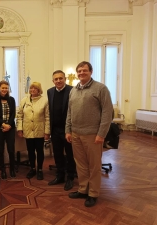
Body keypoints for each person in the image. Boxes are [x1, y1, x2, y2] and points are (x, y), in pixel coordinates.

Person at [65, 61, 113, 207]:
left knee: (94, 165)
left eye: (84, 70)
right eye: (79, 71)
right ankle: (83, 189)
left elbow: (107, 112)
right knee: (81, 164)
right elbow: (69, 112)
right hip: (76, 134)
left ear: (91, 71)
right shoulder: (73, 90)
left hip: (93, 135)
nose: (81, 73)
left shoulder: (101, 88)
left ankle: (93, 193)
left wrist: (101, 133)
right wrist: (68, 130)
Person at [47, 70, 76, 191]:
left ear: (64, 79)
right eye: (56, 79)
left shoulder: (72, 90)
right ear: (53, 81)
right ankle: (60, 176)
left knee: (70, 155)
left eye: (60, 78)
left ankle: (70, 177)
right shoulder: (50, 92)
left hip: (68, 130)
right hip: (55, 130)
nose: (58, 81)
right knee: (57, 154)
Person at [17, 82, 50, 180]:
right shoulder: (24, 101)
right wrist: (20, 129)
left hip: (39, 130)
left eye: (35, 88)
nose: (32, 90)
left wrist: (47, 132)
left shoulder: (44, 101)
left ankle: (40, 169)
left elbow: (47, 117)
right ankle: (32, 168)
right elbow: (19, 116)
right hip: (28, 131)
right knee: (30, 151)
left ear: (39, 90)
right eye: (31, 88)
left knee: (40, 151)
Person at [0, 80, 16, 179]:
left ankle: (12, 169)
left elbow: (13, 114)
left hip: (10, 128)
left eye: (6, 88)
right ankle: (2, 170)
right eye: (3, 88)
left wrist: (8, 125)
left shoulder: (12, 99)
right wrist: (3, 124)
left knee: (11, 150)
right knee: (0, 150)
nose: (4, 89)